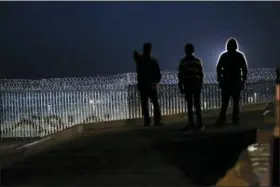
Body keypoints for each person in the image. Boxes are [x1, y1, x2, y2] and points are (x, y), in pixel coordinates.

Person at [216, 38, 248, 126]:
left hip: (226, 83)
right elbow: (244, 69)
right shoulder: (240, 56)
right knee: (236, 103)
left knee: (224, 103)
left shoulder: (224, 56)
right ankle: (235, 119)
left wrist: (220, 79)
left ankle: (222, 120)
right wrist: (243, 80)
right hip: (236, 82)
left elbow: (218, 68)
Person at [133, 43, 163, 127]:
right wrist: (155, 82)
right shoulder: (153, 61)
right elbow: (158, 74)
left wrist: (135, 53)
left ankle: (147, 121)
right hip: (151, 85)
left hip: (143, 85)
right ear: (150, 50)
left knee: (145, 104)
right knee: (155, 103)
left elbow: (136, 57)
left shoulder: (140, 60)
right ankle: (157, 121)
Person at [178, 43, 204, 130]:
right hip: (196, 84)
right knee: (197, 104)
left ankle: (191, 123)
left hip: (187, 84)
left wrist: (181, 86)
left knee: (189, 105)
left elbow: (180, 75)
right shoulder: (197, 61)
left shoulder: (183, 62)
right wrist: (200, 84)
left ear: (185, 51)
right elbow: (201, 74)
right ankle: (199, 124)